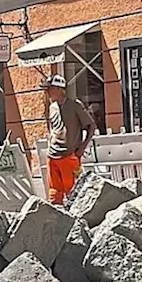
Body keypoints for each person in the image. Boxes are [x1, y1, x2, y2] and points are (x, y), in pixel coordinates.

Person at [43, 74, 97, 205]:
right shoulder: (52, 107)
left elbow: (91, 126)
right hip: (52, 155)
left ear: (58, 88)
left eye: (49, 89)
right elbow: (52, 127)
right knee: (54, 192)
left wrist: (82, 147)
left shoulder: (74, 105)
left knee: (73, 191)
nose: (47, 92)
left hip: (69, 155)